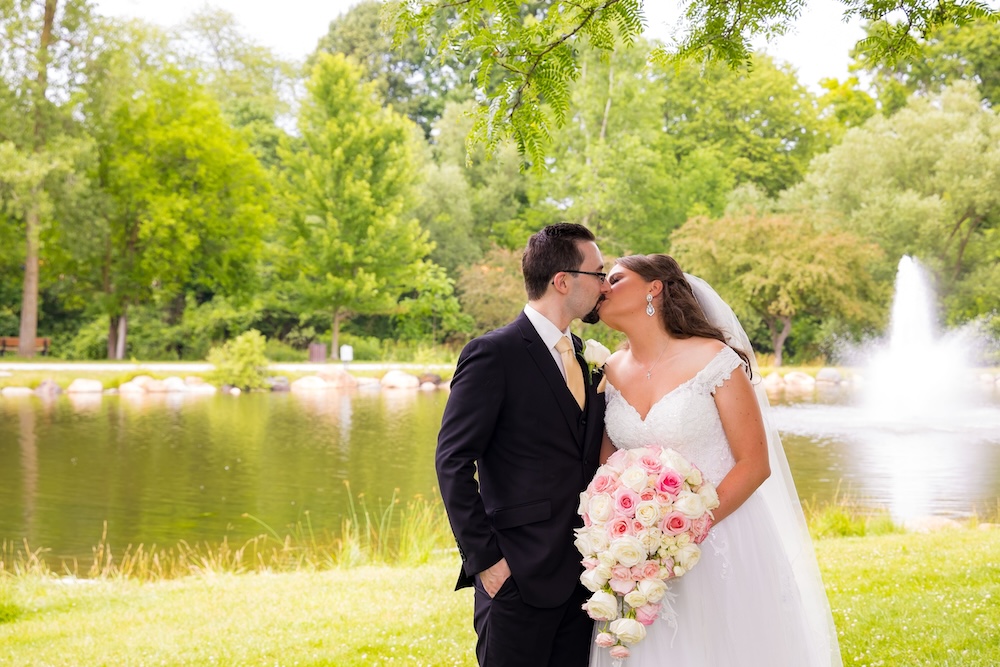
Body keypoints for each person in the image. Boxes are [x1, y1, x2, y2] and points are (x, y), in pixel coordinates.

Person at [590, 254, 842, 667]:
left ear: (654, 288)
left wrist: (683, 533)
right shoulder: (610, 370)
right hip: (637, 551)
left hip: (722, 537)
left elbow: (754, 463)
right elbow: (609, 468)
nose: (602, 287)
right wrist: (628, 536)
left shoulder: (713, 358)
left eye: (615, 279)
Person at [437, 223, 612, 666]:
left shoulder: (584, 354)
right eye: (598, 273)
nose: (604, 284)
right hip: (516, 574)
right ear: (563, 280)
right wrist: (487, 561)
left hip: (582, 577)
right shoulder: (493, 353)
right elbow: (453, 462)